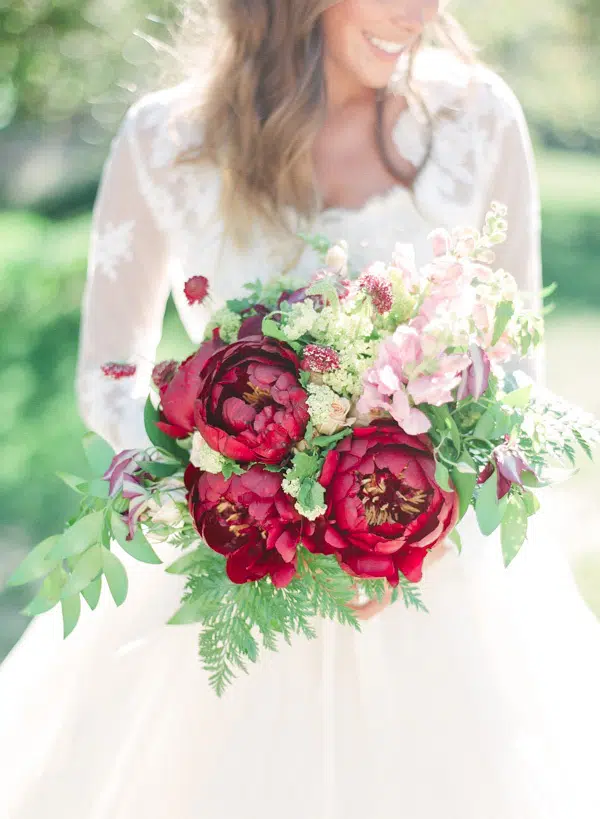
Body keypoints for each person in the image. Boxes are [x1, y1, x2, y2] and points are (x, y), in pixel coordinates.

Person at [1, 1, 600, 817]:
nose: (420, 12)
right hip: (236, 573)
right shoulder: (164, 140)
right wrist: (221, 481)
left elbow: (513, 364)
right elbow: (109, 373)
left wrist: (413, 524)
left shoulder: (479, 118)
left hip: (439, 585)